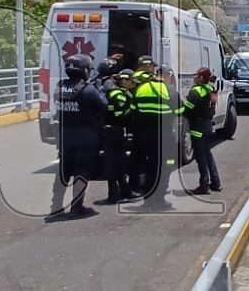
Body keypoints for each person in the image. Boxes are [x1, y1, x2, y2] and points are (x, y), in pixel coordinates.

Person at [49, 55, 106, 221]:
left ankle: (55, 207)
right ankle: (76, 207)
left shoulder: (60, 87)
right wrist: (99, 89)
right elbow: (104, 105)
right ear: (84, 70)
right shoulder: (88, 90)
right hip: (85, 138)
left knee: (63, 173)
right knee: (81, 173)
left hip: (65, 137)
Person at [131, 62, 177, 208]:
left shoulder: (140, 89)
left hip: (145, 135)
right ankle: (159, 198)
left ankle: (148, 199)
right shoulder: (170, 90)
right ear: (167, 76)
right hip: (164, 135)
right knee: (166, 165)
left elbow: (133, 112)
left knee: (149, 166)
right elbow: (180, 111)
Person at [178, 67, 222, 195]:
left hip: (197, 127)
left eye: (196, 75)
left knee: (200, 157)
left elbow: (187, 109)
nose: (194, 77)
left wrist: (177, 107)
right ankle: (216, 183)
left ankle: (204, 186)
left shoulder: (196, 91)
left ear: (201, 78)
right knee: (208, 155)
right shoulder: (211, 90)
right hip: (207, 125)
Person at [96, 69, 136, 204]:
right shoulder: (118, 95)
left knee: (119, 163)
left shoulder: (120, 92)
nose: (133, 84)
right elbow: (120, 115)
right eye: (131, 81)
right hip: (113, 133)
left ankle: (125, 192)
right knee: (113, 164)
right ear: (124, 80)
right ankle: (114, 194)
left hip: (115, 132)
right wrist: (134, 108)